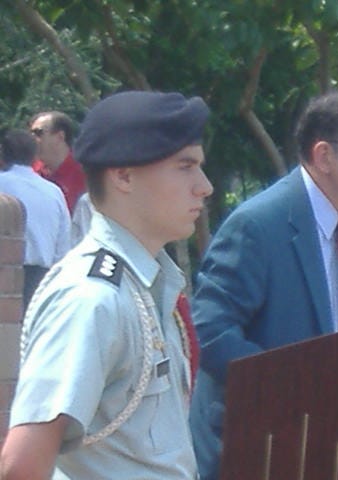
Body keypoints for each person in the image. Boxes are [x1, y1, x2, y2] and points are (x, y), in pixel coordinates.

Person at [0, 91, 213, 479]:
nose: (204, 186)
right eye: (185, 167)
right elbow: (21, 467)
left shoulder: (145, 285)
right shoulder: (91, 297)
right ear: (124, 175)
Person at [189, 89, 338, 479]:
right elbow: (211, 333)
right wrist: (297, 390)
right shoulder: (258, 224)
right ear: (324, 155)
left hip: (326, 446)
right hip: (254, 443)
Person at [0, 129, 71, 309]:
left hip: (5, 274)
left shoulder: (2, 184)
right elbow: (63, 244)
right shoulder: (54, 192)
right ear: (34, 156)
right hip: (43, 280)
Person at [30, 110, 86, 213]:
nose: (32, 139)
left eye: (38, 133)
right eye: (31, 134)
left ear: (60, 136)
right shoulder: (30, 171)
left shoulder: (85, 175)